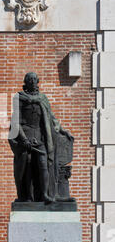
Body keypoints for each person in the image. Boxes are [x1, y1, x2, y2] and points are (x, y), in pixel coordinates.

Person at [8, 72, 73, 204]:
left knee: (44, 165)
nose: (32, 81)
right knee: (28, 167)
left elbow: (50, 117)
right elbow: (16, 121)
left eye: (34, 79)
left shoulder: (43, 98)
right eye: (29, 79)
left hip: (40, 136)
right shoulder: (19, 97)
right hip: (26, 136)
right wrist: (24, 139)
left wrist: (61, 130)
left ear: (37, 81)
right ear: (26, 82)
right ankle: (28, 196)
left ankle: (45, 194)